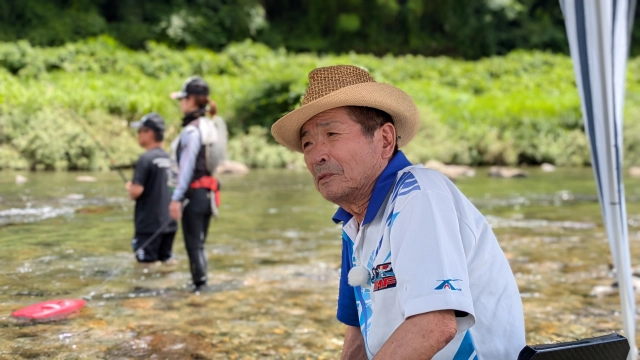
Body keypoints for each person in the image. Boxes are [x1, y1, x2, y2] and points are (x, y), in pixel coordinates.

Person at [271, 65, 525, 359]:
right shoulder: (353, 224)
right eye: (308, 144)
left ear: (385, 140)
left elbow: (434, 325)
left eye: (332, 134)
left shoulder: (419, 195)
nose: (317, 155)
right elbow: (357, 334)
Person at [168, 76, 223, 291]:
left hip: (194, 194)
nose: (180, 103)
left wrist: (176, 198)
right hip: (208, 195)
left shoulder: (191, 130)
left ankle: (199, 289)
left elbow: (187, 167)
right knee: (199, 245)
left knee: (194, 246)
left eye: (182, 99)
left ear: (191, 101)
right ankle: (201, 286)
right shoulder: (210, 125)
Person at [126, 113, 177, 265]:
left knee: (145, 266)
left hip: (149, 226)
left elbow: (137, 191)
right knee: (166, 261)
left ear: (149, 133)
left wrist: (130, 188)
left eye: (140, 131)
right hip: (170, 224)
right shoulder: (170, 159)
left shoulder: (145, 159)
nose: (138, 135)